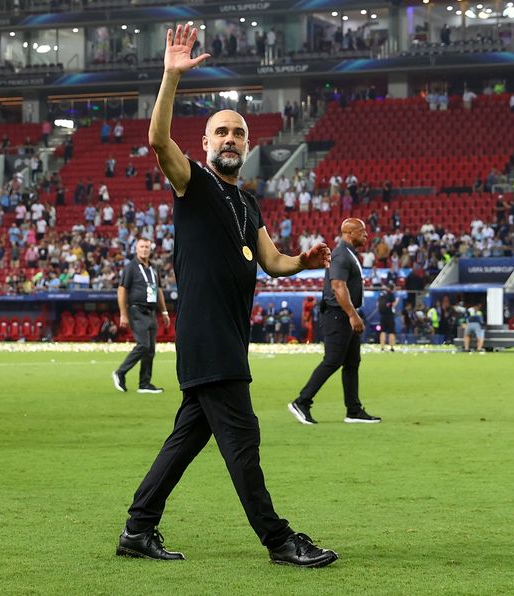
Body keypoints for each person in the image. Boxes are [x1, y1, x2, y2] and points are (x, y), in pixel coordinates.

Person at [115, 24, 338, 569]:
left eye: (238, 133)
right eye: (221, 133)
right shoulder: (192, 182)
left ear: (248, 143)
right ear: (207, 143)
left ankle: (137, 530)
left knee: (187, 438)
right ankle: (279, 540)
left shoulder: (249, 204)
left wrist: (302, 263)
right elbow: (156, 140)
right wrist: (170, 75)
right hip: (208, 337)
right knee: (243, 440)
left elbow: (273, 261)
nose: (231, 140)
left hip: (224, 341)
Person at [288, 218, 382, 426]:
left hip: (343, 313)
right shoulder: (340, 254)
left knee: (351, 363)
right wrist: (352, 314)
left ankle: (353, 410)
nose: (366, 235)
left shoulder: (347, 254)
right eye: (362, 231)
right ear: (349, 232)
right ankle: (301, 402)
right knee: (333, 360)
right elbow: (338, 286)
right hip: (337, 314)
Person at [112, 238, 170, 393]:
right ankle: (120, 372)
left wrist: (164, 311)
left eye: (147, 247)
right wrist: (123, 313)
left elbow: (158, 290)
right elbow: (122, 289)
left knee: (150, 349)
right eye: (141, 247)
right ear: (136, 249)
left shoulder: (153, 268)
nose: (144, 249)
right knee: (143, 345)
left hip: (151, 311)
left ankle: (144, 383)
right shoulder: (131, 267)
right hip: (136, 310)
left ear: (150, 250)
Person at [378, 282, 398, 351]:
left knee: (382, 331)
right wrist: (397, 301)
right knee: (391, 332)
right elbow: (393, 305)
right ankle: (392, 347)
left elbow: (377, 304)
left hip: (382, 316)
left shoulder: (382, 294)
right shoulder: (391, 295)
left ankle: (382, 347)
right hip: (390, 316)